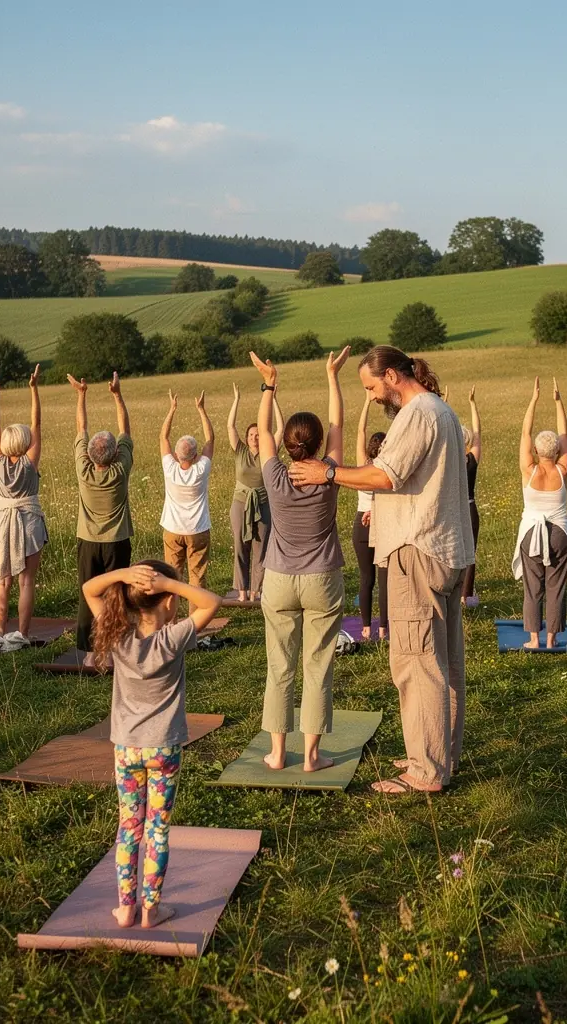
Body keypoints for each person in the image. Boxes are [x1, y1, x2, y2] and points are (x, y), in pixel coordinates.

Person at [288, 345, 474, 795]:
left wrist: (327, 475)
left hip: (417, 549)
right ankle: (437, 752)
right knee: (444, 661)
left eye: (371, 387)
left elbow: (385, 476)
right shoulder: (439, 409)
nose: (370, 397)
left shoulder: (417, 413)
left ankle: (425, 771)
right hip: (444, 549)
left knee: (416, 663)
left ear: (391, 376)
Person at [82, 560, 221, 929]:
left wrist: (123, 576)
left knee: (129, 827)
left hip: (127, 749)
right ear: (170, 603)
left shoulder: (118, 635)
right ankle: (151, 909)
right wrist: (169, 583)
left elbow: (89, 590)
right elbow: (211, 602)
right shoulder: (173, 638)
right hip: (164, 750)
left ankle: (126, 908)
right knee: (157, 830)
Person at [250, 347, 350, 772]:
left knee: (280, 665)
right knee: (318, 664)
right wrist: (332, 376)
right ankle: (310, 757)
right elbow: (339, 426)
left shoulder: (274, 475)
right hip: (322, 578)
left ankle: (276, 754)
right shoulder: (329, 474)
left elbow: (261, 428)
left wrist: (269, 385)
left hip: (278, 578)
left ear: (288, 445)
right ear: (317, 445)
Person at [68, 371, 134, 662]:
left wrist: (81, 394)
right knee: (116, 594)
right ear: (115, 453)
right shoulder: (120, 470)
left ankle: (88, 651)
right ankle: (114, 649)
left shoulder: (84, 471)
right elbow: (126, 430)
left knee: (88, 593)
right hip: (117, 540)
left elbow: (81, 427)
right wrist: (117, 395)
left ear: (91, 455)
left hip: (88, 541)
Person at [0, 363, 47, 645]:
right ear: (25, 442)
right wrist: (33, 389)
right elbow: (37, 424)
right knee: (25, 582)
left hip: (1, 522)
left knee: (2, 581)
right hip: (29, 521)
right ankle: (21, 634)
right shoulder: (30, 462)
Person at [513, 377, 567, 649]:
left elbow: (525, 434)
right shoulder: (563, 469)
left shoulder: (529, 469)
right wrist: (558, 401)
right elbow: (565, 436)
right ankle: (551, 639)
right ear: (558, 450)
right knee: (556, 587)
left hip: (531, 533)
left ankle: (534, 639)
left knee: (532, 588)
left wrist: (534, 400)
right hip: (559, 533)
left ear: (537, 451)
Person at [227, 382, 283, 601]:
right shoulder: (240, 450)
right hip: (240, 504)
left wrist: (274, 399)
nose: (254, 437)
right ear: (247, 437)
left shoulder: (269, 451)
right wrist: (236, 400)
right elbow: (230, 427)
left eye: (257, 434)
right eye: (251, 435)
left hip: (263, 504)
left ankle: (256, 591)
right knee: (241, 547)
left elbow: (279, 428)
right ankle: (241, 591)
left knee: (261, 548)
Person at [159, 388, 215, 611]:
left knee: (172, 579)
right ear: (195, 456)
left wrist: (172, 409)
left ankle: (170, 622)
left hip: (173, 529)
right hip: (198, 529)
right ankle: (194, 626)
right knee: (197, 578)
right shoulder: (201, 468)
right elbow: (210, 439)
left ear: (177, 454)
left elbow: (163, 437)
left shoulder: (170, 468)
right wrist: (201, 410)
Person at [352, 393, 388, 641]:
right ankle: (384, 628)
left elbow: (360, 430)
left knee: (366, 579)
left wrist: (365, 402)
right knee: (384, 580)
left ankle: (366, 628)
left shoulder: (363, 466)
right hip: (384, 525)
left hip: (361, 527)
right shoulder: (389, 468)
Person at [461, 386, 483, 606]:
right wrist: (472, 403)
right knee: (470, 553)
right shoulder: (470, 460)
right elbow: (478, 434)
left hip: (452, 509)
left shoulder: (446, 459)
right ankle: (465, 596)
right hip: (469, 507)